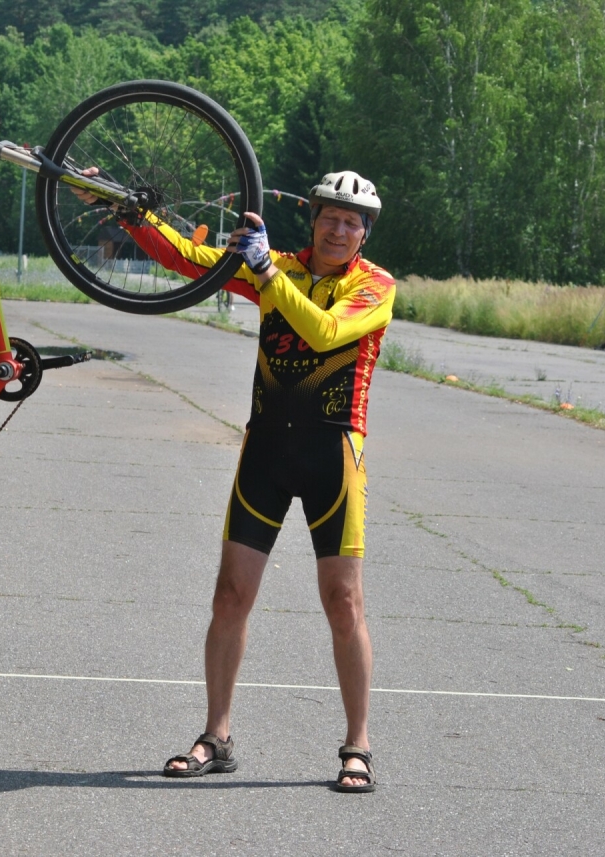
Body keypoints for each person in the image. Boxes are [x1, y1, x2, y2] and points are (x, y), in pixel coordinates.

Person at [77, 168, 393, 791]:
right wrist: (122, 210)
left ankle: (358, 745)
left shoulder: (374, 286)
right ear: (312, 217)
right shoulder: (272, 263)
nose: (339, 228)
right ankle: (215, 735)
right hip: (267, 451)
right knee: (230, 596)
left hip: (334, 454)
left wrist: (268, 274)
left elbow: (325, 331)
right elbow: (188, 258)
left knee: (343, 601)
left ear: (364, 232)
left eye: (351, 221)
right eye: (330, 216)